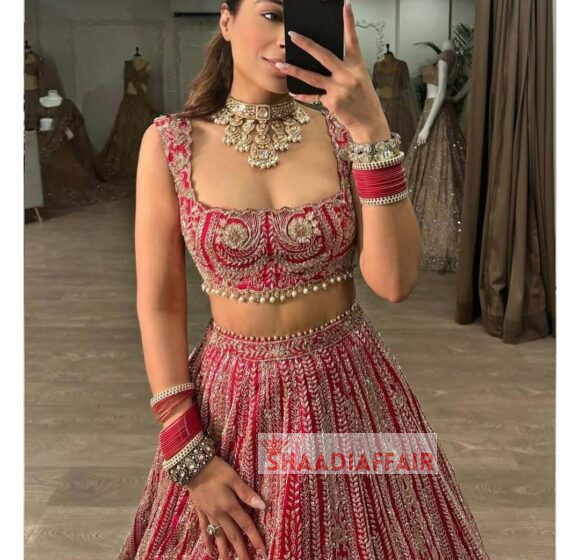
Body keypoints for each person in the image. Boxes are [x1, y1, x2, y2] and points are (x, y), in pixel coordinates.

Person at [117, 2, 491, 559]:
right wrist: (186, 449)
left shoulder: (342, 132)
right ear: (226, 20)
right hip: (231, 401)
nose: (286, 37)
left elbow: (394, 282)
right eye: (270, 14)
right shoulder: (171, 142)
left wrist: (371, 128)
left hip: (349, 386)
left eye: (300, 16)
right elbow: (161, 303)